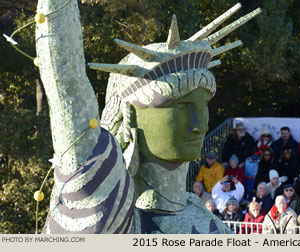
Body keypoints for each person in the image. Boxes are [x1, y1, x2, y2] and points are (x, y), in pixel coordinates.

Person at [35, 0, 261, 234]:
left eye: (203, 103)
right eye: (180, 105)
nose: (199, 124)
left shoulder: (203, 215)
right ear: (130, 115)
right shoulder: (114, 211)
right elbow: (66, 83)